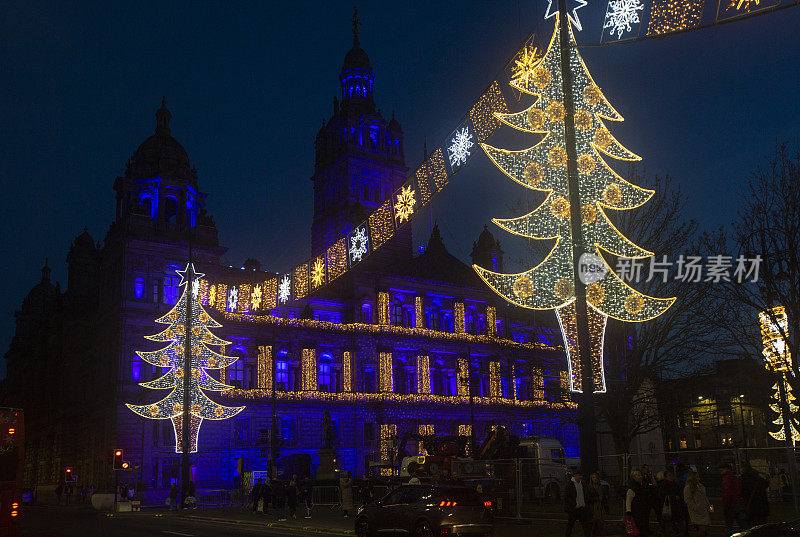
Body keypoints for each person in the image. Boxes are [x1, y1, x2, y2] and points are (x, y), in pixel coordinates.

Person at [740, 461, 769, 528]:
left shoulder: (744, 478)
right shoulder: (757, 477)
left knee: (752, 526)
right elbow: (765, 484)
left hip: (751, 506)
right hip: (762, 506)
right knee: (762, 525)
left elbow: (743, 492)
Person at [564, 469, 591, 537]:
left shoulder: (582, 484)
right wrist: (571, 505)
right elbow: (566, 497)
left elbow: (585, 495)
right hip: (574, 508)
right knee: (570, 524)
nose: (580, 477)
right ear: (575, 475)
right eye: (579, 475)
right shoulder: (570, 485)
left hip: (581, 508)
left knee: (585, 525)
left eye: (581, 475)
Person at [721, 463, 746, 536]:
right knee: (742, 524)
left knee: (729, 525)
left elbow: (727, 493)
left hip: (730, 504)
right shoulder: (734, 477)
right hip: (736, 503)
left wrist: (726, 505)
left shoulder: (727, 479)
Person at [684, 471, 711, 537]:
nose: (699, 479)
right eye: (697, 477)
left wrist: (709, 506)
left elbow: (705, 497)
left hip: (704, 509)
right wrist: (696, 507)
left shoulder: (700, 486)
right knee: (702, 529)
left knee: (705, 528)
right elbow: (688, 500)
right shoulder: (688, 488)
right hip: (697, 511)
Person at [658, 469, 683, 537]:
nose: (671, 477)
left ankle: (663, 530)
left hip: (673, 504)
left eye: (672, 475)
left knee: (668, 518)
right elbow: (662, 495)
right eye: (669, 475)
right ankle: (675, 531)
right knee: (670, 518)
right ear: (665, 477)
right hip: (667, 504)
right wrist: (673, 497)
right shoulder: (664, 485)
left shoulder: (675, 484)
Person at [626, 469, 651, 537]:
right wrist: (628, 512)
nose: (640, 477)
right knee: (638, 528)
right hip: (637, 512)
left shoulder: (644, 486)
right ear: (633, 477)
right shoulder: (632, 488)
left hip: (644, 510)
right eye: (637, 475)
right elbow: (628, 501)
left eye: (640, 475)